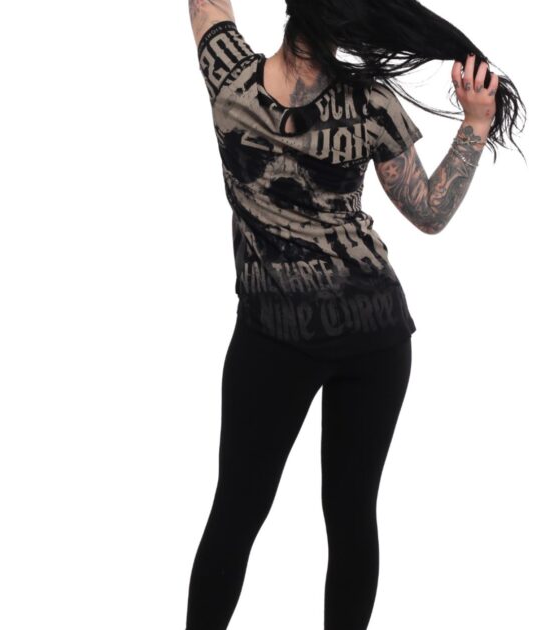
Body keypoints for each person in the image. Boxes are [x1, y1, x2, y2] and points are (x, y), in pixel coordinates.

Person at [185, 1, 520, 628]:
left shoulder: (228, 75)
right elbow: (429, 211)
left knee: (238, 512)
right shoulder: (370, 102)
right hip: (370, 336)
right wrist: (475, 123)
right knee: (346, 515)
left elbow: (207, 8)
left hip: (289, 337)